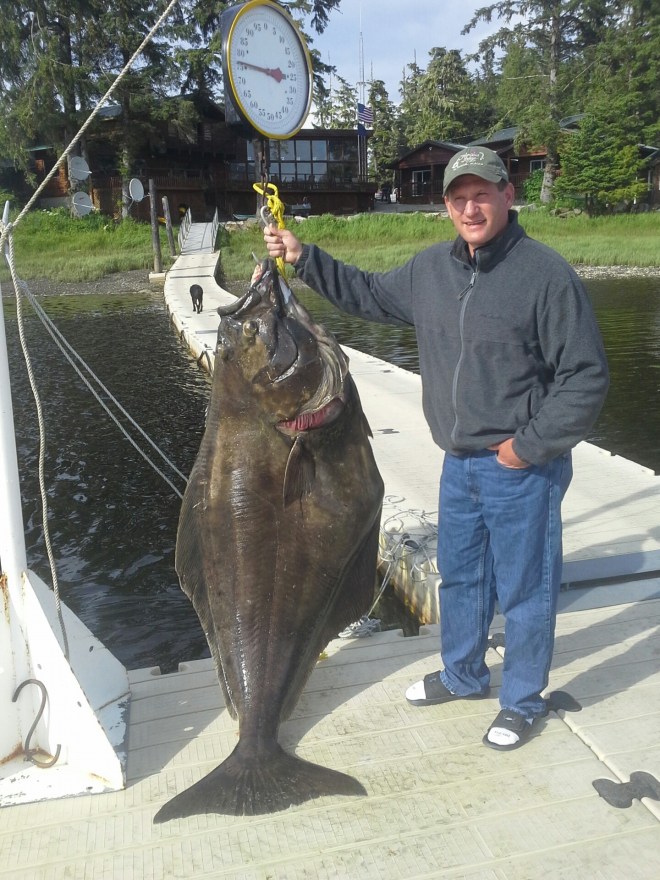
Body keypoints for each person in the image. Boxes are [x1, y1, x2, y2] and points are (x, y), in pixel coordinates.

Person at [262, 146, 609, 751]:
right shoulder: (430, 271)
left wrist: (528, 447)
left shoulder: (545, 275)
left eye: (482, 195)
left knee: (526, 590)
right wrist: (303, 258)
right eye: (458, 198)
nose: (470, 208)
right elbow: (368, 293)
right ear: (446, 205)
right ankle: (463, 674)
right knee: (461, 579)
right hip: (458, 462)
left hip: (521, 468)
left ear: (507, 195)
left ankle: (522, 701)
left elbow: (585, 377)